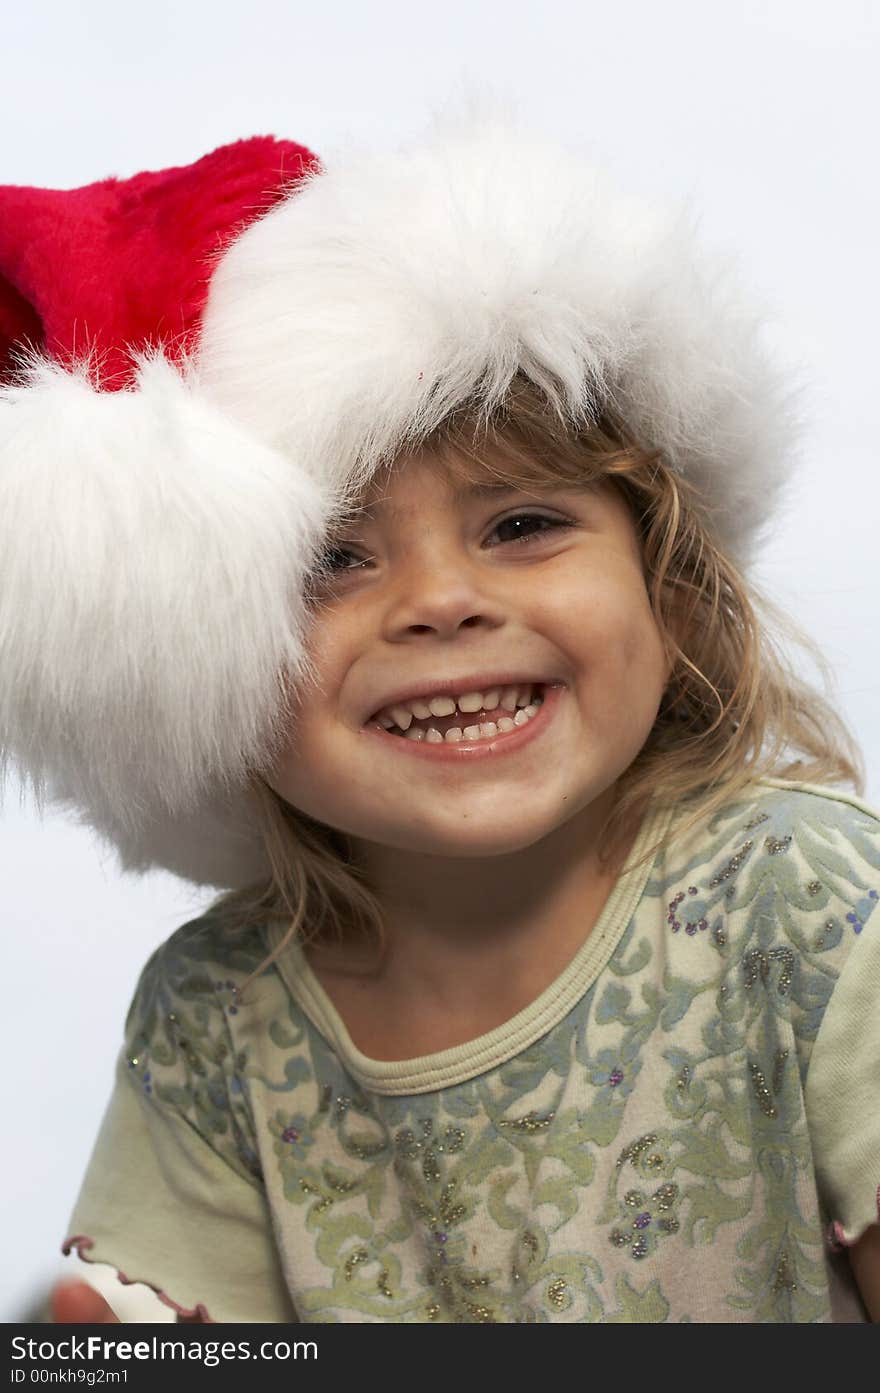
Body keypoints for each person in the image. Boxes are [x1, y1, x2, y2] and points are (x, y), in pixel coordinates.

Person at [2, 95, 878, 1325]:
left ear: (672, 591)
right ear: (193, 675)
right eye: (330, 564)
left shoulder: (810, 899)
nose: (443, 603)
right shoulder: (217, 1013)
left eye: (522, 525)